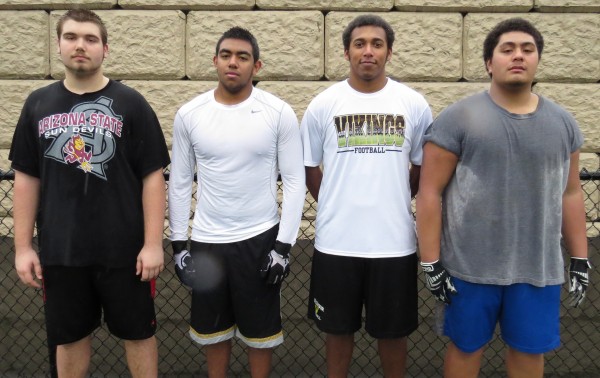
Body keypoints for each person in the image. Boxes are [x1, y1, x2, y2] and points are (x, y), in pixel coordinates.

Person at [416, 17, 591, 378]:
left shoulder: (563, 123)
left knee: (528, 354)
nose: (518, 56)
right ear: (488, 63)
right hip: (469, 267)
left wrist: (579, 257)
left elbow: (571, 193)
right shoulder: (458, 118)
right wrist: (430, 262)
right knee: (465, 349)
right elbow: (429, 192)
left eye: (528, 50)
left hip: (537, 268)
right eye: (507, 49)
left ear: (538, 60)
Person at [9, 8, 170, 378]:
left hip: (125, 252)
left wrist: (152, 243)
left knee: (139, 334)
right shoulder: (38, 104)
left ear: (105, 49)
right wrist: (21, 247)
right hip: (62, 251)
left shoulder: (132, 103)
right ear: (59, 45)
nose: (80, 45)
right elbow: (26, 179)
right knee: (68, 338)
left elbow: (152, 178)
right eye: (71, 37)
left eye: (90, 38)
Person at [168, 27, 305, 378]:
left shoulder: (278, 112)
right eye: (226, 55)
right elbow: (181, 181)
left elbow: (293, 181)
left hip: (259, 240)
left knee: (261, 336)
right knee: (213, 332)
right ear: (215, 61)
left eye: (243, 57)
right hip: (207, 241)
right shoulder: (190, 114)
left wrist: (283, 248)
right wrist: (178, 245)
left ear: (256, 66)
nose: (234, 62)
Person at [301, 14, 433, 377]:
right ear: (347, 52)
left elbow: (422, 167)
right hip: (336, 242)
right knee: (336, 331)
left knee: (393, 334)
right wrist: (331, 201)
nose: (368, 51)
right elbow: (310, 167)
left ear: (389, 51)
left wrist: (394, 197)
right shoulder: (323, 105)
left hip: (394, 243)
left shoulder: (413, 104)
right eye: (360, 44)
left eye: (377, 44)